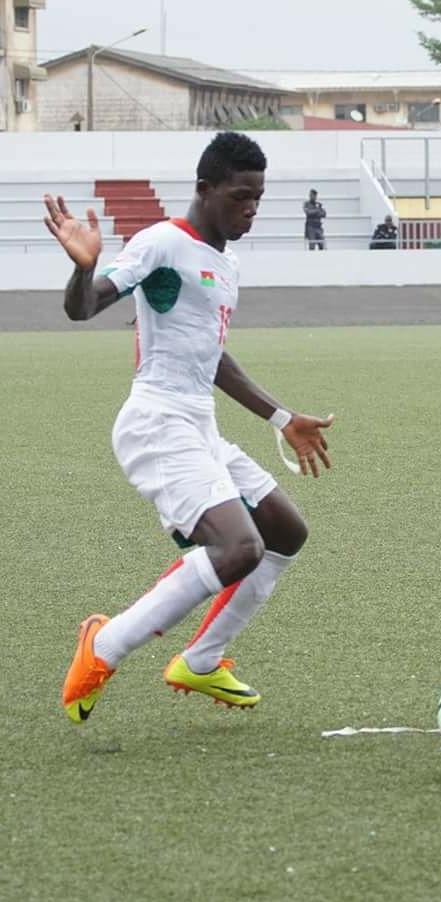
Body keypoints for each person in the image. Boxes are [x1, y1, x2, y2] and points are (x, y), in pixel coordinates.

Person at [43, 131, 335, 724]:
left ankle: (201, 660)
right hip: (156, 421)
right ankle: (104, 645)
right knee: (238, 546)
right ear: (205, 190)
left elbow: (213, 356)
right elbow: (84, 305)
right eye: (240, 195)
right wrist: (84, 267)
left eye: (258, 197)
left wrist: (281, 418)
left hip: (198, 425)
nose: (251, 207)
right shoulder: (162, 243)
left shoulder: (225, 263)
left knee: (284, 531)